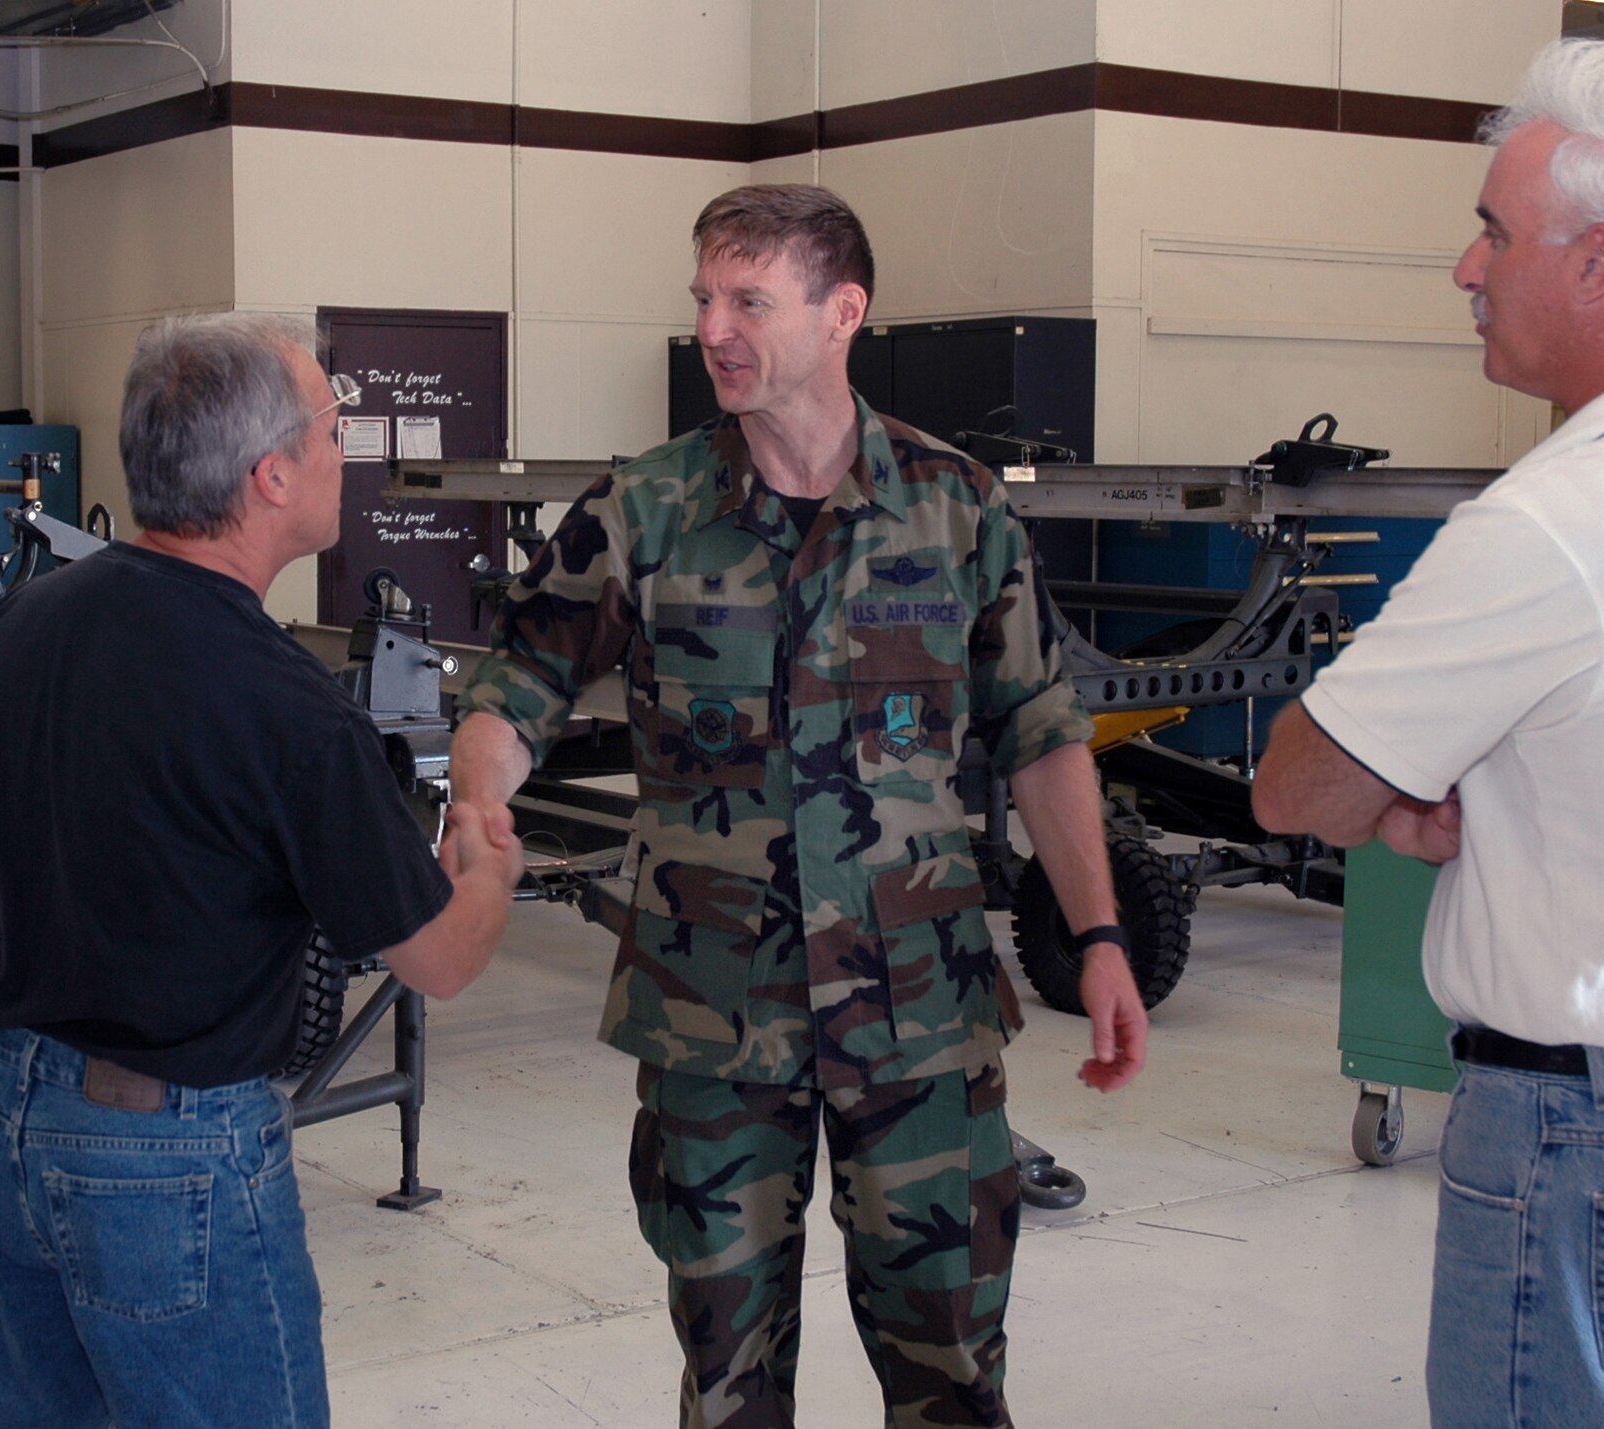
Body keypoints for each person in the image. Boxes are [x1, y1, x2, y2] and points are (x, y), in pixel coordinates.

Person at [451, 183, 1145, 1428]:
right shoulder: (643, 509)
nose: (715, 327)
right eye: (704, 299)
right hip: (715, 1022)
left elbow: (1039, 732)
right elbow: (519, 682)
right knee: (727, 1384)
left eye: (748, 300)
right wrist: (479, 799)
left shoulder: (954, 507)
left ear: (842, 314)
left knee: (950, 1377)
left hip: (919, 1019)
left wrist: (1095, 937)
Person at [1250, 38, 1604, 1429]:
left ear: (1602, 262)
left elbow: (1296, 788)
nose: (1466, 267)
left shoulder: (1555, 524)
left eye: (1494, 232)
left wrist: (1403, 797)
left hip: (1600, 1136)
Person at [0, 312, 525, 1428]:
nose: (340, 448)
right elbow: (438, 959)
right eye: (330, 427)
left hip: (6, 1118)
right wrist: (483, 850)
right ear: (270, 476)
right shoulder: (289, 708)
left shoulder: (24, 620)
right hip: (166, 1157)